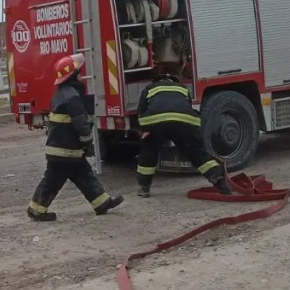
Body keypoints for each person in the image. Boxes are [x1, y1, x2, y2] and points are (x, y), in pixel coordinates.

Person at [27, 53, 124, 221]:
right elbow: (81, 125)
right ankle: (36, 210)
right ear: (73, 76)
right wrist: (87, 142)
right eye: (78, 72)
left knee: (84, 175)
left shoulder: (61, 93)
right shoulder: (72, 96)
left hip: (64, 148)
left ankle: (101, 203)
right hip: (65, 149)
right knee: (53, 180)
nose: (81, 75)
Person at [135, 71, 232, 197]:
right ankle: (219, 181)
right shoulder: (183, 88)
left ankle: (144, 188)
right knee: (196, 153)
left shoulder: (150, 88)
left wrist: (144, 130)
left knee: (149, 152)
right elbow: (186, 106)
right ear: (174, 81)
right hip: (184, 122)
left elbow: (141, 110)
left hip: (156, 122)